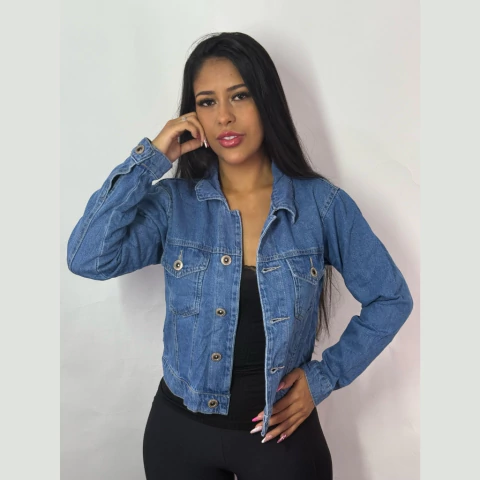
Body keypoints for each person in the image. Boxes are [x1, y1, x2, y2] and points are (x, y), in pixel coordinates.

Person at [67, 32, 414, 480]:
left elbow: (391, 298)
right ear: (192, 115)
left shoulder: (321, 206)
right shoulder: (174, 204)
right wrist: (151, 158)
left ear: (266, 100)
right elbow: (88, 256)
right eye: (207, 102)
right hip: (178, 437)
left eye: (240, 95)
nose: (224, 116)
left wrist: (323, 378)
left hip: (281, 439)